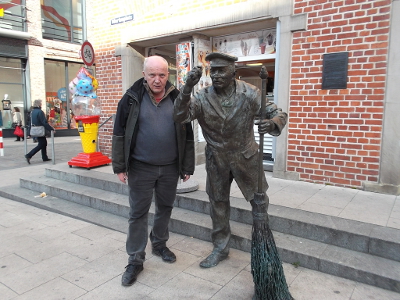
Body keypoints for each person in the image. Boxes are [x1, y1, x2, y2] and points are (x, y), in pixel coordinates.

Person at [174, 52, 288, 268]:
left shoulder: (250, 93)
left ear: (233, 71)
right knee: (218, 203)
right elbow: (180, 116)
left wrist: (271, 124)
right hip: (216, 159)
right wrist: (187, 86)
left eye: (221, 70)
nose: (216, 75)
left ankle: (263, 243)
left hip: (246, 156)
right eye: (212, 70)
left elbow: (278, 113)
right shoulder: (201, 96)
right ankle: (220, 247)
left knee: (258, 200)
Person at [112, 55, 195, 287]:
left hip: (170, 167)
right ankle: (135, 259)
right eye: (152, 75)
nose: (157, 80)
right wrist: (120, 165)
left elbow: (187, 134)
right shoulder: (130, 99)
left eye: (161, 75)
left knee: (165, 208)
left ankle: (159, 244)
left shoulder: (178, 97)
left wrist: (187, 165)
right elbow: (119, 133)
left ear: (167, 75)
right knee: (137, 213)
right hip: (140, 167)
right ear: (144, 74)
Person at [25, 99, 55, 164]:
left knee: (43, 143)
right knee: (42, 144)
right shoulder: (40, 112)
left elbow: (30, 122)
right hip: (40, 129)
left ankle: (44, 157)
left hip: (35, 129)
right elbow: (44, 122)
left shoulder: (32, 112)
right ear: (39, 104)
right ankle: (29, 155)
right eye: (41, 103)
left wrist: (28, 133)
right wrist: (51, 129)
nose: (41, 104)